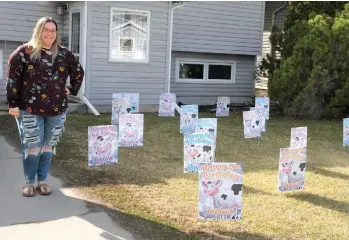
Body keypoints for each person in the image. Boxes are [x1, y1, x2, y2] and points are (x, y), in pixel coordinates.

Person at [6, 16, 84, 197]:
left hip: (56, 111)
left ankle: (42, 180)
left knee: (48, 145)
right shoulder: (24, 52)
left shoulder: (64, 54)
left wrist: (70, 90)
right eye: (45, 29)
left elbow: (78, 72)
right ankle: (29, 182)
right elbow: (13, 78)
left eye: (52, 30)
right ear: (38, 31)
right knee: (33, 146)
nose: (49, 33)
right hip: (28, 109)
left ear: (56, 33)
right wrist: (13, 104)